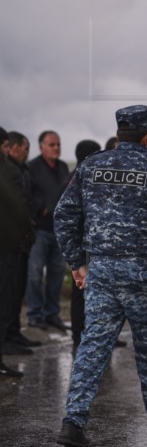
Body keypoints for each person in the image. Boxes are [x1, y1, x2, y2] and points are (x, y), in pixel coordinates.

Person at [53, 105, 147, 447]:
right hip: (145, 273)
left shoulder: (91, 165)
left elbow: (64, 215)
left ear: (118, 134)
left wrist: (76, 263)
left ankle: (73, 421)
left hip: (102, 270)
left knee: (93, 344)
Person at [63, 140, 126, 350]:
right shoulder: (81, 178)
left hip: (88, 245)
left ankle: (94, 337)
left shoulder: (84, 176)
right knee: (83, 296)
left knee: (93, 296)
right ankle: (79, 337)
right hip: (86, 246)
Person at [26, 130, 70, 332]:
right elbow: (26, 194)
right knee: (35, 273)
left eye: (58, 144)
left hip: (59, 230)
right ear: (41, 146)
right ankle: (34, 314)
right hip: (40, 230)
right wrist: (41, 208)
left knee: (57, 274)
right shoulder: (32, 167)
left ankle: (51, 314)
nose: (56, 148)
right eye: (52, 145)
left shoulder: (62, 167)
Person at [1, 127, 36, 376]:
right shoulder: (7, 171)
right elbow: (18, 208)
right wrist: (28, 234)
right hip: (8, 246)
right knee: (6, 300)